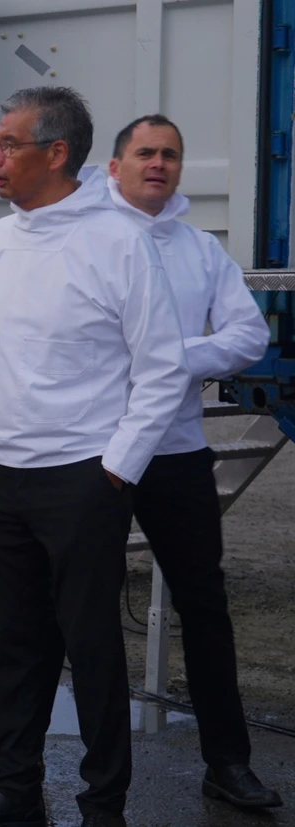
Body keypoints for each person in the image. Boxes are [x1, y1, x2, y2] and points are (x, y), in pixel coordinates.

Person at [0, 88, 189, 827]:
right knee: (11, 641)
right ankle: (14, 787)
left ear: (57, 152)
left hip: (82, 475)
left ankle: (103, 803)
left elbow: (162, 365)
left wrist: (117, 467)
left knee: (92, 643)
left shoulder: (119, 240)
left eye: (9, 143)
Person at [108, 115, 280, 810]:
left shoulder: (201, 250)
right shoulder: (86, 238)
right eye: (145, 152)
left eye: (171, 155)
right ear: (115, 164)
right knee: (80, 607)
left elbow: (248, 333)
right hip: (96, 451)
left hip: (175, 452)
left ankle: (228, 761)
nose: (159, 164)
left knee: (205, 607)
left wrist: (173, 358)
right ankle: (94, 771)